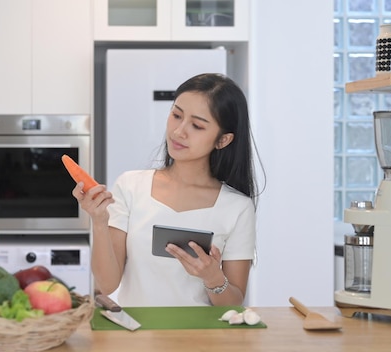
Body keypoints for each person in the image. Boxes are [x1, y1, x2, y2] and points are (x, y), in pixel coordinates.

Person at [72, 73, 260, 307]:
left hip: (202, 341)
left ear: (223, 140)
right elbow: (106, 284)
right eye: (176, 115)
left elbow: (233, 304)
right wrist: (99, 221)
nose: (179, 131)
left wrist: (213, 278)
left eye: (197, 125)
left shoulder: (238, 207)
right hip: (136, 337)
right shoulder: (130, 186)